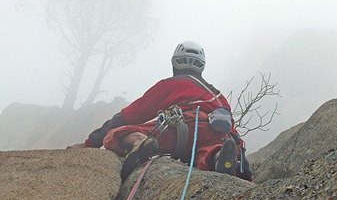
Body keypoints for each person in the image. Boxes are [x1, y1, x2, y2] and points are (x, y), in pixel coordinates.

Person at [68, 41, 252, 182]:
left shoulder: (169, 85)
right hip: (219, 134)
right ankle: (218, 157)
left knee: (115, 134)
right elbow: (234, 132)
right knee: (207, 152)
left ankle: (140, 142)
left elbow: (128, 115)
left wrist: (90, 143)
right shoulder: (218, 96)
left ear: (175, 63)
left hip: (184, 128)